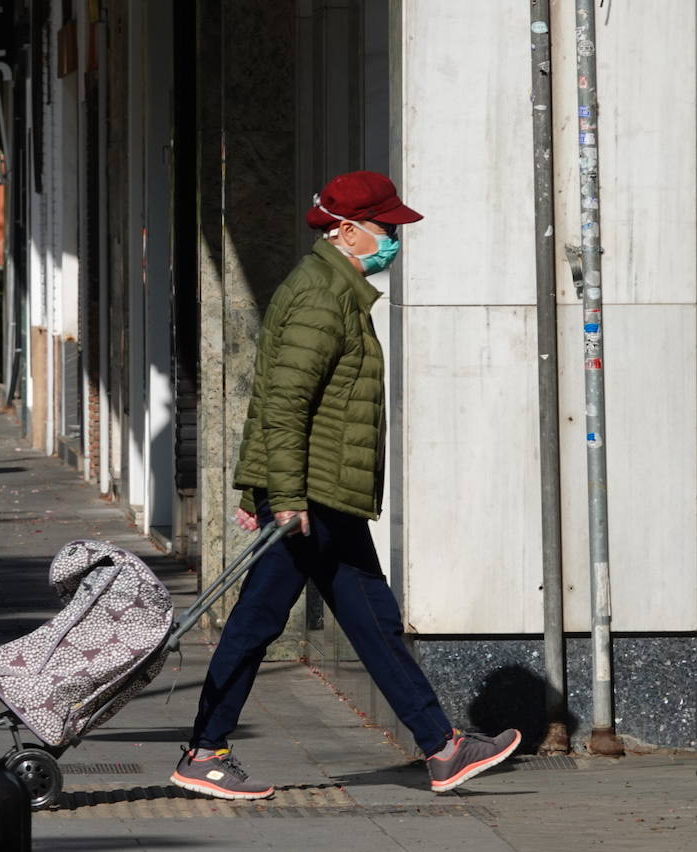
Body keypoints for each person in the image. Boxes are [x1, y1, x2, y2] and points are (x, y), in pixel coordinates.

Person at [169, 171, 521, 801]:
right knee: (257, 622)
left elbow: (286, 396)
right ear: (345, 230)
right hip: (312, 497)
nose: (393, 240)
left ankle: (441, 748)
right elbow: (284, 402)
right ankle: (204, 752)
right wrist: (284, 496)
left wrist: (268, 490)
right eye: (385, 229)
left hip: (321, 493)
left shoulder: (339, 291)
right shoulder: (321, 297)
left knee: (370, 620)